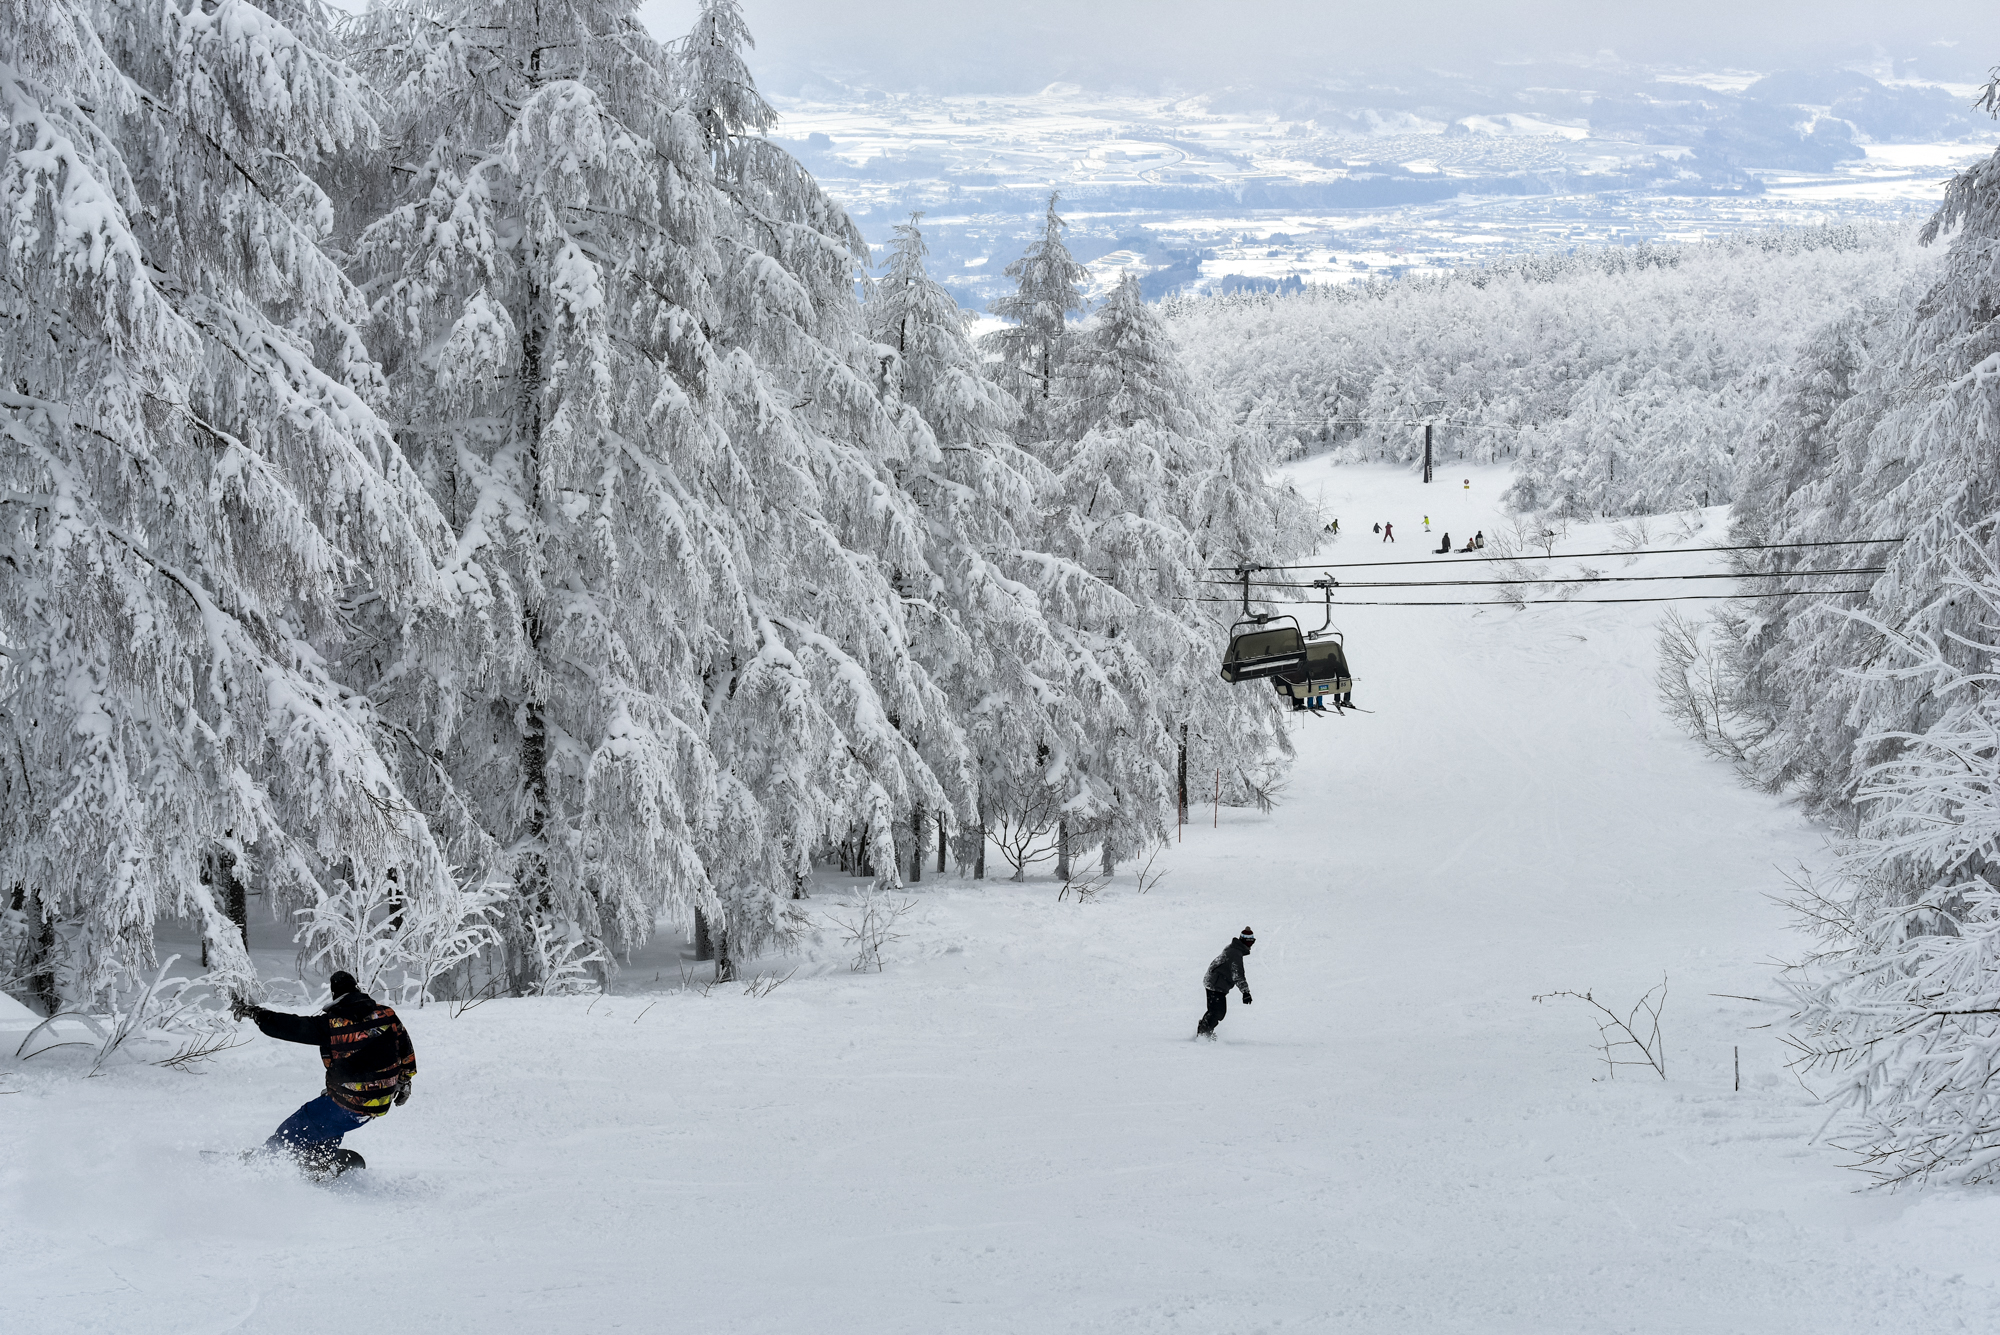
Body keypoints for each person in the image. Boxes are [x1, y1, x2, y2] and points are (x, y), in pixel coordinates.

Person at [232, 970, 416, 1175]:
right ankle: (318, 1158)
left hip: (350, 1101)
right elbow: (406, 1049)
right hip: (379, 1101)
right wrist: (405, 1081)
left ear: (334, 995)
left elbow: (289, 1026)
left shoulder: (332, 1024)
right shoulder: (386, 1015)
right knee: (329, 1117)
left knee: (295, 1129)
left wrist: (257, 1014)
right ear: (357, 989)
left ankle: (264, 1162)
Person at [1196, 927, 1255, 1039]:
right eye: (1251, 941)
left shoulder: (1234, 949)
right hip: (1216, 984)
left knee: (1215, 1011)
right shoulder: (1235, 953)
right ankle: (1204, 1034)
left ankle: (1204, 1032)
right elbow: (1238, 975)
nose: (1252, 944)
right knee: (1218, 1011)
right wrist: (1245, 992)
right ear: (1246, 941)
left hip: (1214, 981)